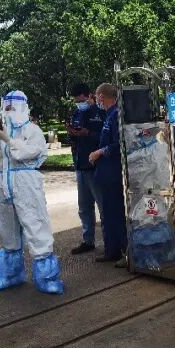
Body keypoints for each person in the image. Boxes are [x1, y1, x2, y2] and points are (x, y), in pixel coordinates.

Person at [0, 91, 64, 294]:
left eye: (13, 107)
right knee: (6, 229)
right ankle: (10, 275)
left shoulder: (32, 130)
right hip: (1, 183)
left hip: (26, 183)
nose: (8, 110)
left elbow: (31, 153)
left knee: (36, 226)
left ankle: (48, 279)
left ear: (23, 107)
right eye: (6, 107)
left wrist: (7, 139)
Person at [88, 83, 127, 266]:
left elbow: (120, 144)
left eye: (96, 96)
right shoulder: (108, 115)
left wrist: (100, 152)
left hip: (113, 173)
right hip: (105, 173)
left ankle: (125, 252)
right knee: (108, 214)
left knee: (116, 213)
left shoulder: (116, 115)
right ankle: (112, 250)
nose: (96, 100)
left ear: (102, 96)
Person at [66, 83, 105, 255]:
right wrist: (73, 134)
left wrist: (87, 133)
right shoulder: (77, 113)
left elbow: (106, 138)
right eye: (75, 101)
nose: (78, 104)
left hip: (96, 167)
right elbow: (75, 138)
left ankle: (111, 243)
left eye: (80, 100)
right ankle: (88, 240)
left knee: (103, 206)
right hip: (81, 166)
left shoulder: (100, 113)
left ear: (89, 96)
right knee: (84, 207)